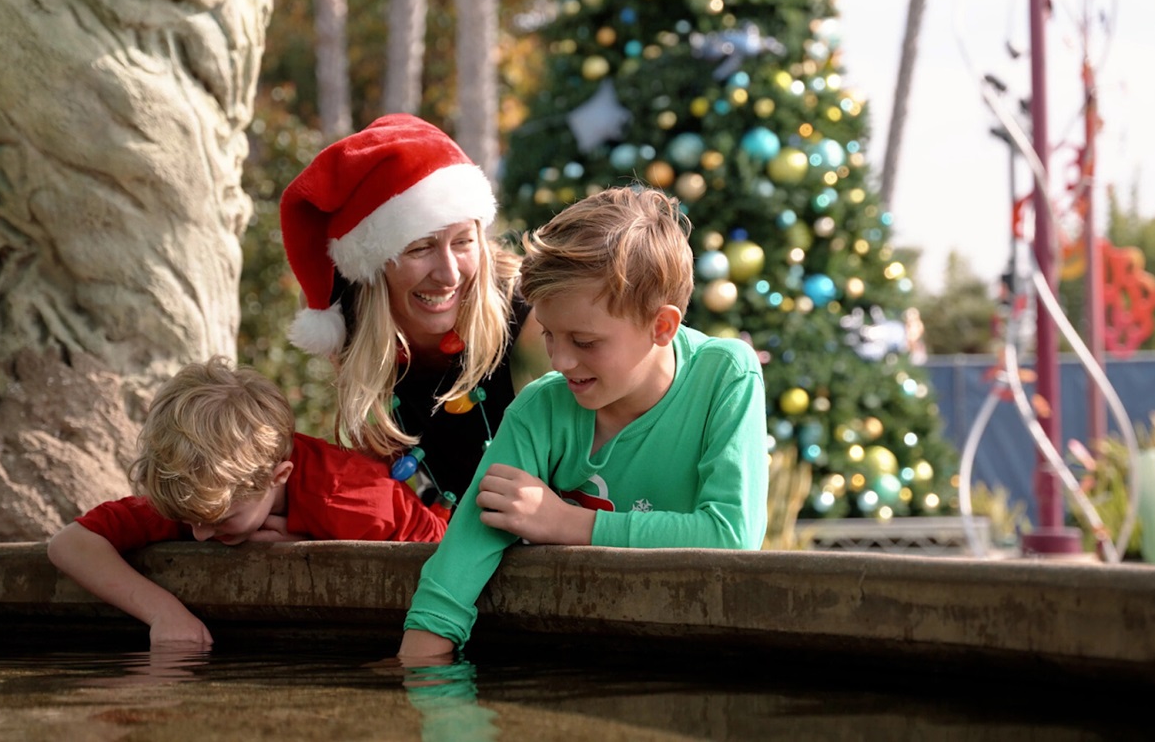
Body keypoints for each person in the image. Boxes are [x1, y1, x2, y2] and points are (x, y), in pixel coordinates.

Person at [395, 185, 769, 661]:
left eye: (585, 342)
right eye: (550, 335)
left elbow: (731, 536)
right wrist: (417, 673)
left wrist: (565, 522)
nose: (561, 362)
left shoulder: (726, 375)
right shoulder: (540, 408)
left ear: (661, 326)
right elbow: (457, 568)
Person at [47, 356, 447, 647]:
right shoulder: (196, 494)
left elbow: (441, 548)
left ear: (279, 477)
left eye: (220, 520)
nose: (199, 536)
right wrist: (163, 612)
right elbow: (69, 544)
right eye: (191, 520)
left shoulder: (350, 500)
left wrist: (316, 547)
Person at [280, 114, 535, 516]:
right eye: (420, 248)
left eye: (463, 242)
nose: (449, 274)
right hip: (445, 530)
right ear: (374, 265)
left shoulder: (530, 316)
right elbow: (376, 471)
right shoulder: (353, 322)